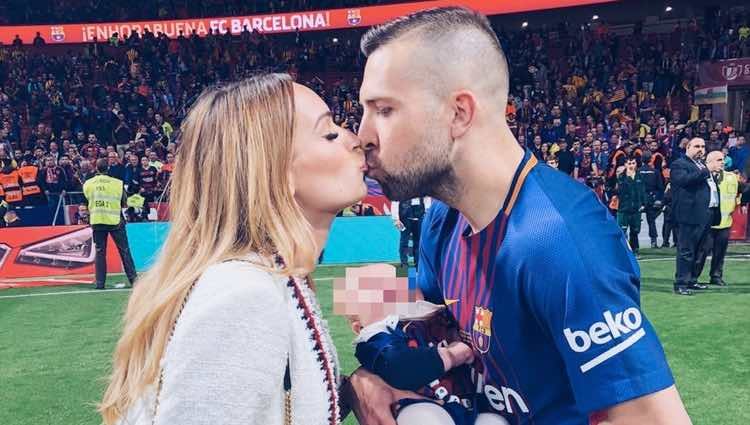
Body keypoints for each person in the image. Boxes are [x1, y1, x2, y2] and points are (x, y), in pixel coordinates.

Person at [351, 7, 690, 425]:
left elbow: (653, 419)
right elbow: (432, 329)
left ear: (459, 113)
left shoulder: (557, 241)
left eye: (383, 109)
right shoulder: (444, 219)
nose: (363, 135)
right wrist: (367, 376)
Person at [100, 75, 369, 425]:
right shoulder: (244, 293)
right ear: (275, 171)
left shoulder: (261, 275)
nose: (355, 140)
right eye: (329, 133)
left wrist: (356, 391)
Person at [670, 138, 723, 296]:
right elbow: (684, 181)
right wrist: (707, 169)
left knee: (700, 250)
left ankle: (692, 280)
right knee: (686, 251)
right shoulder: (679, 164)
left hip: (705, 214)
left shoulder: (700, 165)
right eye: (697, 146)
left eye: (703, 146)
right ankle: (681, 283)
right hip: (688, 215)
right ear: (688, 147)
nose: (700, 149)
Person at [83, 158, 138, 290]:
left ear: (96, 168)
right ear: (108, 168)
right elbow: (125, 202)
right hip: (115, 221)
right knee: (124, 251)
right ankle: (134, 281)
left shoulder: (88, 184)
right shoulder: (117, 183)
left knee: (100, 253)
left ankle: (100, 283)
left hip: (97, 220)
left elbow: (86, 200)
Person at [694, 151, 742, 286]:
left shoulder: (732, 177)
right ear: (709, 162)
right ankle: (693, 278)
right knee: (701, 253)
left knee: (720, 253)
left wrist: (742, 202)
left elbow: (743, 190)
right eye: (719, 160)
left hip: (725, 222)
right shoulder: (702, 176)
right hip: (707, 223)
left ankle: (716, 276)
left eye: (723, 159)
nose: (723, 162)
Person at [616, 157, 646, 256]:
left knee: (635, 231)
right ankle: (623, 250)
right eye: (629, 163)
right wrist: (627, 178)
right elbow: (620, 192)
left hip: (636, 209)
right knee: (622, 230)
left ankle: (635, 250)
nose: (631, 165)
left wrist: (643, 204)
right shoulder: (621, 177)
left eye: (633, 163)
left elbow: (642, 192)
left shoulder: (640, 176)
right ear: (625, 165)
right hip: (624, 209)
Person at [391, 197, 429, 268]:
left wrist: (427, 214)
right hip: (405, 218)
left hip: (419, 217)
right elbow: (395, 202)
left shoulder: (422, 187)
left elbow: (427, 200)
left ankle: (418, 264)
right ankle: (404, 263)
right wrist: (396, 219)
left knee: (418, 242)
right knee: (404, 241)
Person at [638, 151, 664, 248]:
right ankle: (654, 242)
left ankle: (633, 243)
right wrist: (658, 199)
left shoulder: (637, 171)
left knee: (635, 221)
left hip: (639, 199)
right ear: (651, 159)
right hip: (651, 198)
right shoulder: (655, 172)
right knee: (651, 220)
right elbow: (660, 187)